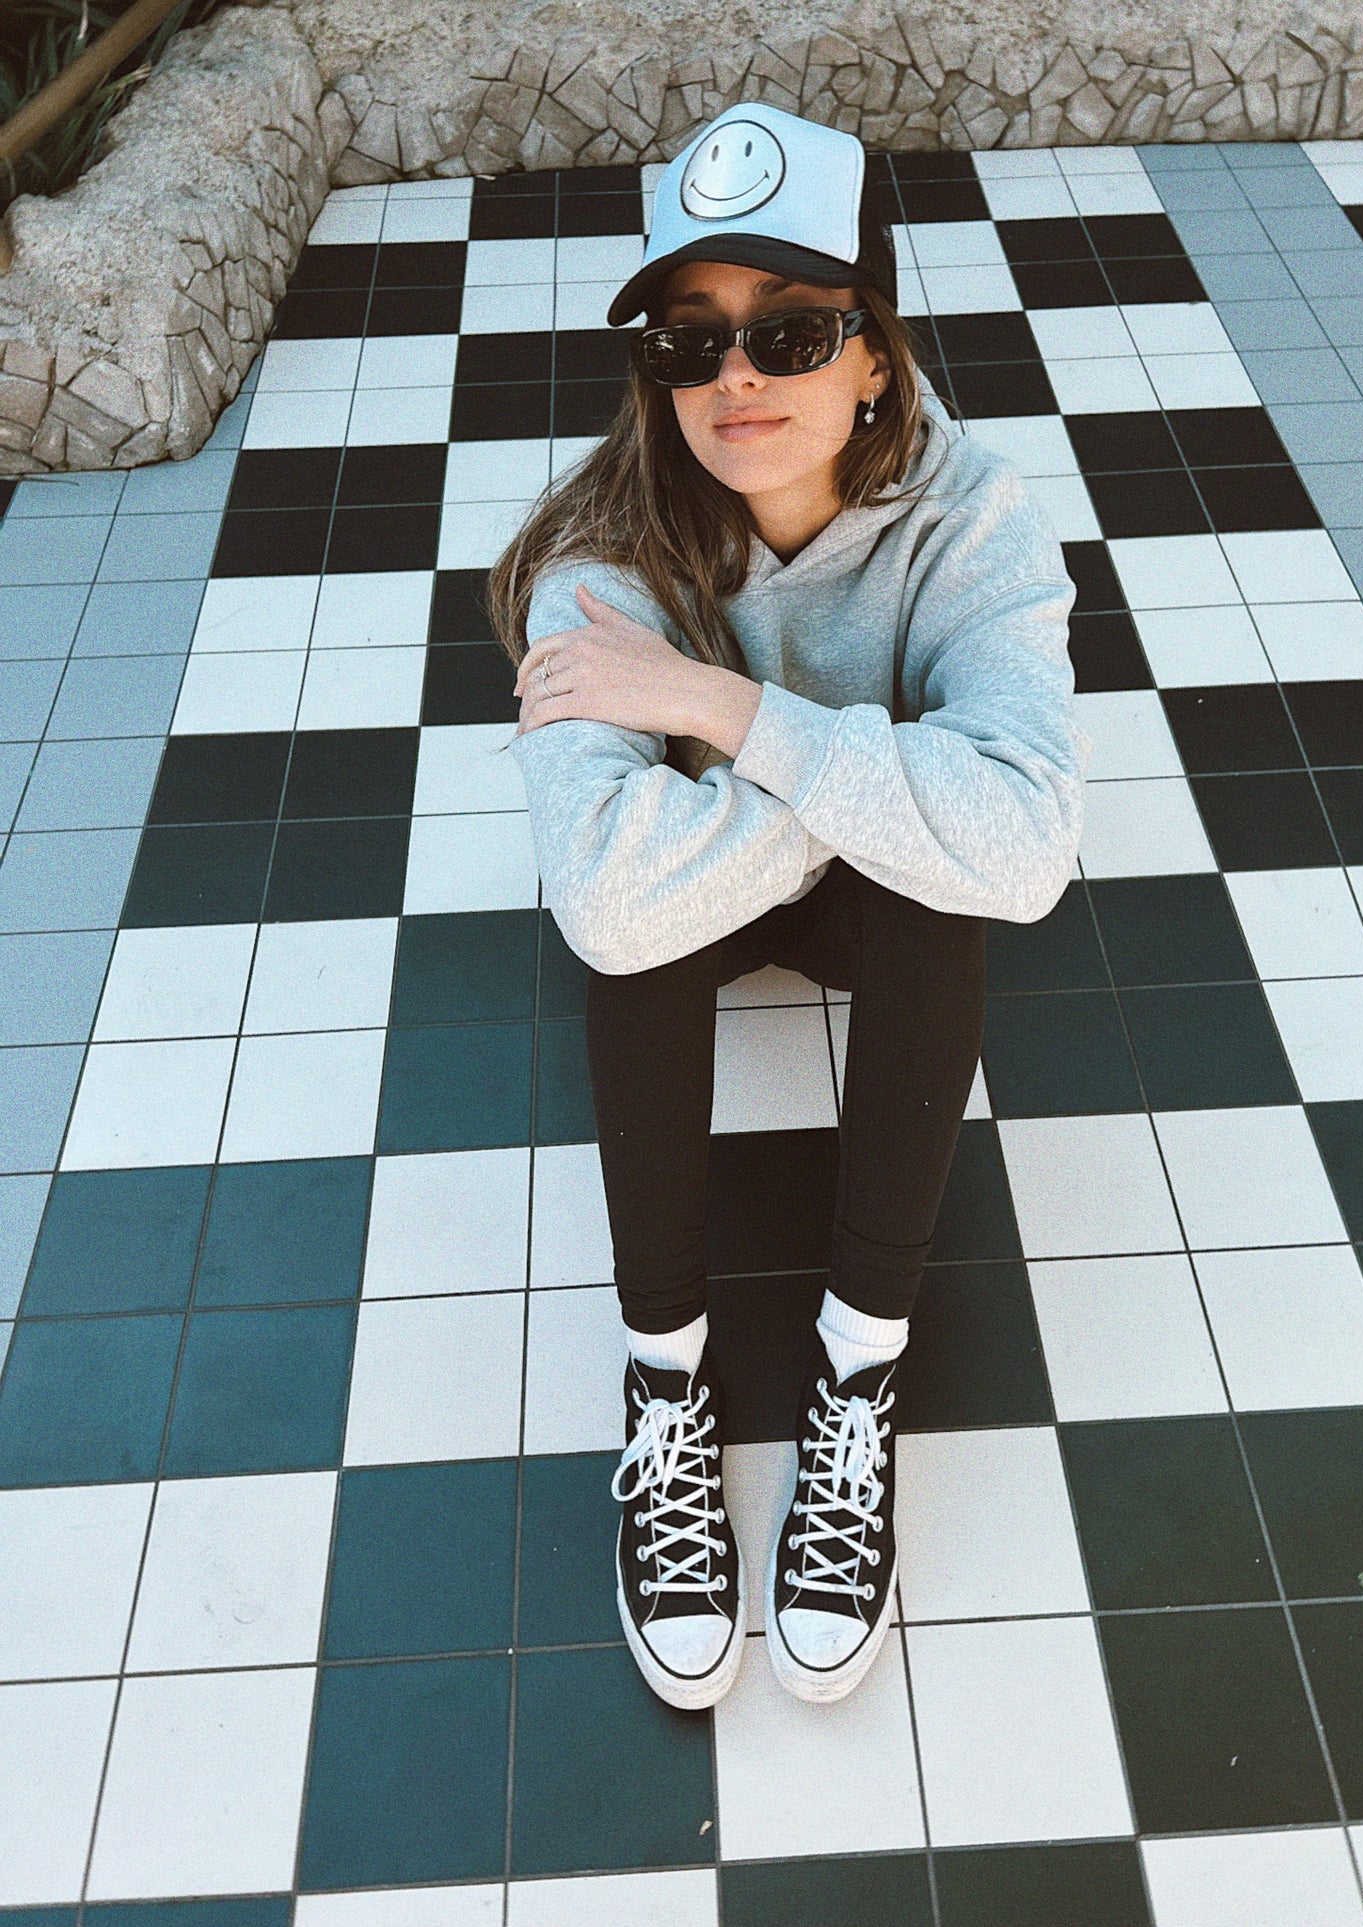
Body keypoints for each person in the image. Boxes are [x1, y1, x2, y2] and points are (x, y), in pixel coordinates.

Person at [490, 102, 1092, 1712]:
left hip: (781, 856)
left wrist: (720, 709)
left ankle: (857, 1370)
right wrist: (882, 783)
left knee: (934, 915)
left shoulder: (977, 522)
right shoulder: (597, 558)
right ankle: (664, 1377)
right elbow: (609, 904)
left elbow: (1027, 846)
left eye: (792, 330)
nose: (735, 379)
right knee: (653, 949)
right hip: (737, 885)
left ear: (875, 356)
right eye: (689, 341)